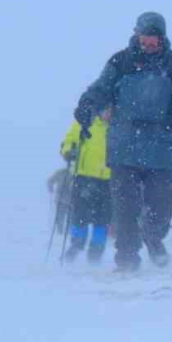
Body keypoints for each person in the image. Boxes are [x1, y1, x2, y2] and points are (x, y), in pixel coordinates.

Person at [75, 12, 172, 272]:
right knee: (125, 206)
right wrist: (87, 106)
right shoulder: (120, 61)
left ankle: (152, 233)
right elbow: (100, 89)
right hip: (123, 146)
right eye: (145, 38)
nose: (149, 44)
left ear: (162, 39)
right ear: (137, 35)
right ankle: (126, 259)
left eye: (154, 40)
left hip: (160, 146)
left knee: (163, 202)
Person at [58, 106, 114, 263]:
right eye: (106, 109)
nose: (109, 113)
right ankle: (76, 244)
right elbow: (68, 142)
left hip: (109, 181)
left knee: (102, 219)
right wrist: (69, 151)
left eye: (112, 110)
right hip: (84, 177)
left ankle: (96, 252)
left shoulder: (118, 127)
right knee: (80, 215)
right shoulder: (84, 123)